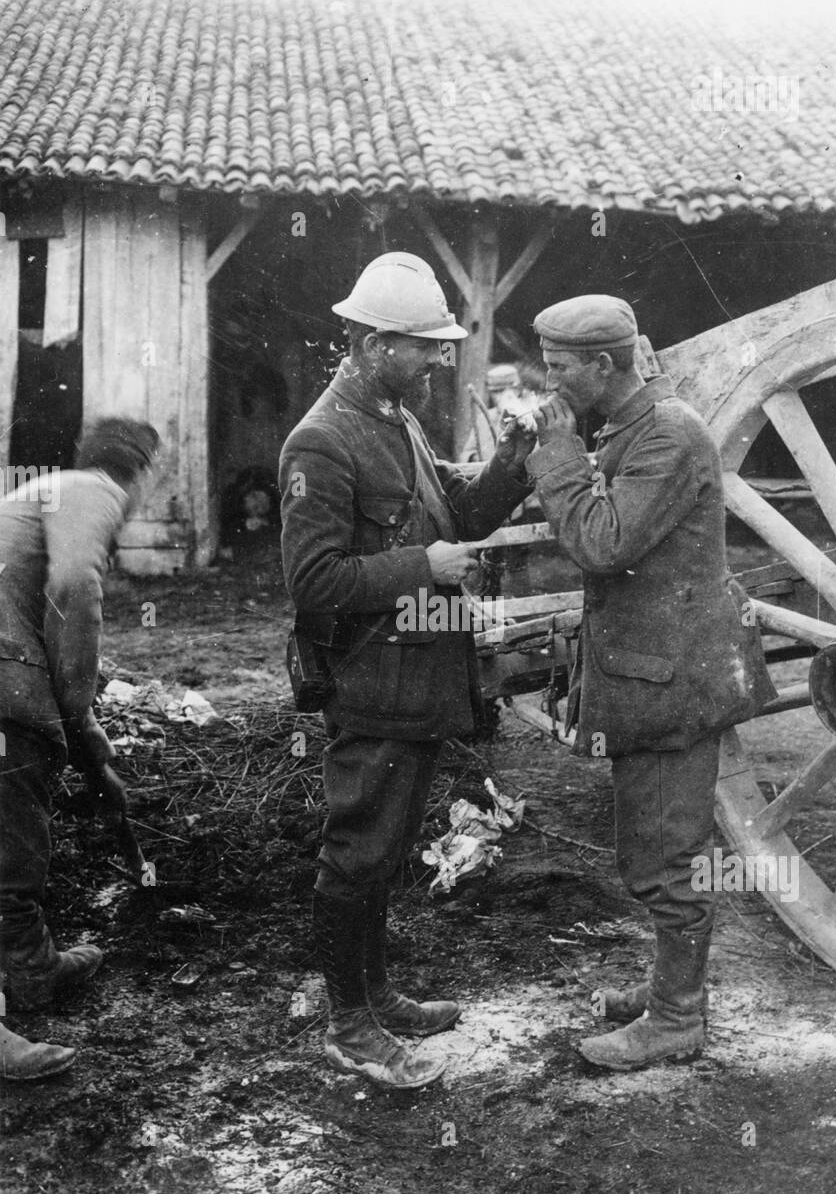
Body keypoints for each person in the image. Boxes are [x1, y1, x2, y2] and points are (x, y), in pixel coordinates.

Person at [279, 252, 535, 1090]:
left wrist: (514, 462)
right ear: (372, 342)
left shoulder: (397, 415)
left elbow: (452, 512)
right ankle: (348, 1023)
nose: (437, 359)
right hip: (370, 681)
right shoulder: (322, 440)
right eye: (423, 345)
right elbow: (313, 584)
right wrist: (422, 566)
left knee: (384, 850)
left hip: (419, 676)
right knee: (355, 853)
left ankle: (379, 995)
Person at [524, 295, 775, 1071]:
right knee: (656, 842)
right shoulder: (637, 425)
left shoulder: (668, 433)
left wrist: (557, 457)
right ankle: (670, 987)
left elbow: (604, 543)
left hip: (673, 682)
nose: (550, 382)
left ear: (604, 366)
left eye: (560, 368)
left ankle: (676, 1018)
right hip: (656, 672)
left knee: (666, 854)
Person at [0, 418, 160, 1081]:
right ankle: (27, 979)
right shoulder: (94, 490)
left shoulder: (36, 494)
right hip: (7, 689)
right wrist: (74, 704)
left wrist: (82, 729)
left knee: (10, 836)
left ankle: (31, 970)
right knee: (10, 840)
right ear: (141, 472)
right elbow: (73, 586)